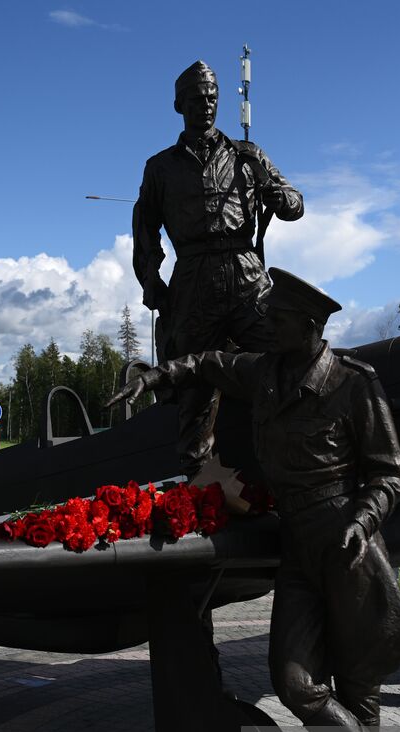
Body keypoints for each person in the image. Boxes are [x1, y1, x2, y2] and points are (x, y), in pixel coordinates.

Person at [110, 268, 400, 732]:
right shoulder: (266, 371)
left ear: (309, 326)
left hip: (348, 547)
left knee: (359, 691)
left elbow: (391, 473)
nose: (266, 324)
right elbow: (211, 364)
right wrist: (157, 375)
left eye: (276, 319)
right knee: (295, 681)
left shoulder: (353, 385)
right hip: (297, 547)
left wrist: (362, 520)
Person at [132, 60, 304, 476]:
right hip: (194, 278)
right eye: (196, 99)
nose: (205, 106)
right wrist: (151, 278)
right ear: (179, 105)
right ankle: (199, 487)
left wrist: (278, 194)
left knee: (286, 359)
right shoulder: (161, 167)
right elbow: (144, 227)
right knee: (194, 386)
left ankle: (296, 467)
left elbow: (295, 204)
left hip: (246, 273)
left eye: (211, 98)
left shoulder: (247, 155)